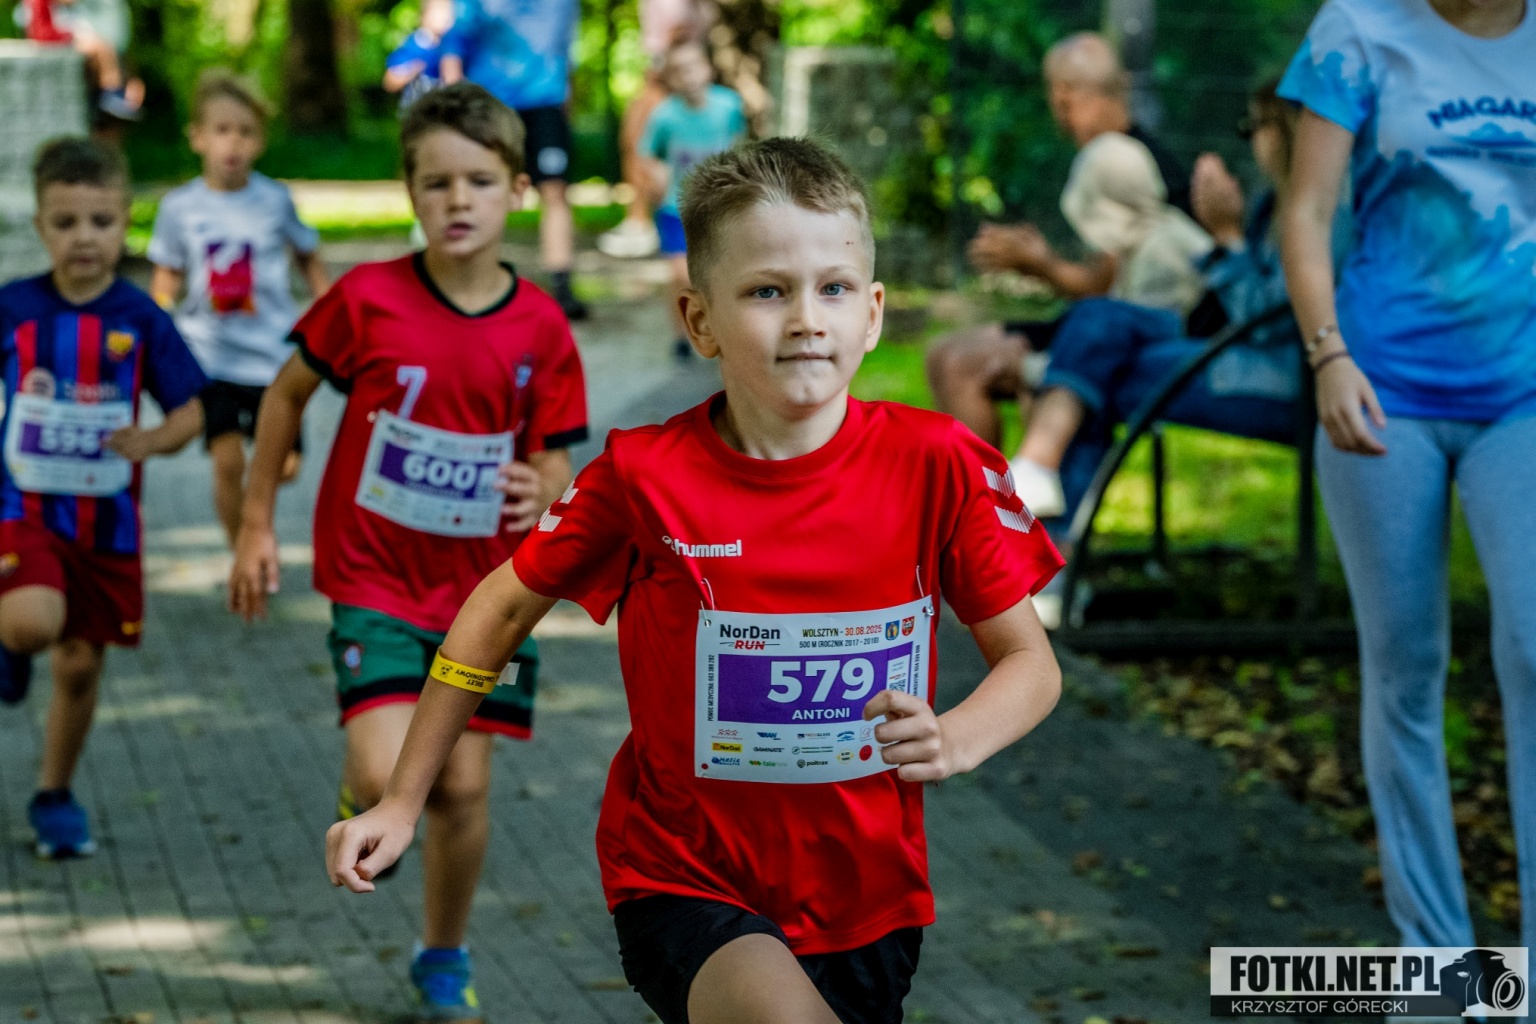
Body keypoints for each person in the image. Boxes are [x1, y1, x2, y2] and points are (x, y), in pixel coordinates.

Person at [324, 137, 1064, 1024]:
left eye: (833, 288)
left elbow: (1031, 663)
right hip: (681, 880)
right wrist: (403, 800)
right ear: (700, 320)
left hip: (870, 900)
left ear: (872, 313)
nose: (806, 318)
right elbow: (501, 608)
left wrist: (957, 737)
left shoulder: (940, 464)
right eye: (767, 291)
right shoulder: (643, 477)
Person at [228, 83, 588, 1018]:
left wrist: (542, 489)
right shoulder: (366, 300)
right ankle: (366, 804)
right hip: (376, 582)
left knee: (461, 788)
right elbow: (283, 395)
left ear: (517, 189)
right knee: (388, 777)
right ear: (410, 192)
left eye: (479, 181)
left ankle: (444, 953)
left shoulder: (541, 327)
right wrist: (257, 522)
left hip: (488, 597)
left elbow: (556, 458)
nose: (458, 200)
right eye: (436, 183)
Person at [1280, 0, 1536, 962]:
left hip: (1524, 393)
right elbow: (1307, 211)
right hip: (1382, 392)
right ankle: (1440, 965)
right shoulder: (1356, 27)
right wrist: (1328, 355)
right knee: (1405, 667)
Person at [0, 138, 206, 858]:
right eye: (65, 223)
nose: (84, 237)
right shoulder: (14, 308)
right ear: (41, 227)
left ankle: (54, 794)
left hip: (108, 523)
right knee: (33, 622)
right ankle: (10, 640)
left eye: (101, 221)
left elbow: (191, 410)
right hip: (22, 509)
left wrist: (155, 440)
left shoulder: (141, 317)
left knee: (81, 663)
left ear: (124, 223)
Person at [1008, 82, 1320, 526]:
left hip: (1282, 377)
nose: (1251, 140)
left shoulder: (1324, 210)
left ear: (1283, 129)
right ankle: (1038, 484)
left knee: (1103, 369)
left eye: (1253, 126)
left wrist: (1227, 237)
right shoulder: (1275, 204)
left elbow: (1269, 322)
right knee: (1098, 319)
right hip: (1230, 344)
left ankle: (1047, 533)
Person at [926, 32, 1207, 464]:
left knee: (956, 364)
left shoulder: (1112, 160)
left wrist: (1037, 265)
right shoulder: (1150, 156)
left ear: (1062, 97)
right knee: (943, 354)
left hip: (1126, 337)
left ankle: (985, 502)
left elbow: (1103, 291)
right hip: (1131, 326)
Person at [148, 71, 329, 549]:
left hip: (272, 357)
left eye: (246, 132)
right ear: (198, 137)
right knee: (227, 463)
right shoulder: (180, 207)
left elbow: (307, 254)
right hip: (211, 358)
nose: (233, 142)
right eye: (222, 130)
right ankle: (242, 553)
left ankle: (254, 514)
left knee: (284, 466)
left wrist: (329, 306)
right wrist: (155, 322)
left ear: (260, 141)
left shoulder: (274, 200)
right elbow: (167, 273)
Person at [441, 0, 589, 320]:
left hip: (545, 101)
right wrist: (452, 105)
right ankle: (470, 281)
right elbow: (456, 39)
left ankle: (561, 286)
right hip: (490, 101)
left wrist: (567, 101)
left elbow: (565, 47)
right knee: (481, 190)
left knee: (555, 189)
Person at [639, 39, 747, 359]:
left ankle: (724, 331)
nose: (688, 75)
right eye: (679, 70)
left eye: (693, 66)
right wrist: (655, 175)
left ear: (707, 69)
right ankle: (681, 337)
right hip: (675, 207)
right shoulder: (664, 116)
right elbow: (647, 154)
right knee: (679, 274)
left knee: (724, 272)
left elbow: (739, 145)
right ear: (671, 78)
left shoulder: (729, 106)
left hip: (718, 206)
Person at [597, 0, 716, 259]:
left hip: (667, 72)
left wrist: (667, 66)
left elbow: (686, 28)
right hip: (662, 70)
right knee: (638, 142)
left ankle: (641, 221)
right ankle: (641, 219)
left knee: (640, 138)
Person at [21, 0, 143, 120]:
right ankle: (111, 92)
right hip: (50, 39)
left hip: (55, 38)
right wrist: (70, 34)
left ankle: (112, 92)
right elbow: (42, 30)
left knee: (101, 47)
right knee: (99, 47)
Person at [383, 0, 457, 111]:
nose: (446, 18)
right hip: (416, 111)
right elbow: (390, 81)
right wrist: (413, 69)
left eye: (449, 13)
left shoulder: (453, 47)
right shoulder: (414, 46)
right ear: (424, 16)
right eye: (439, 12)